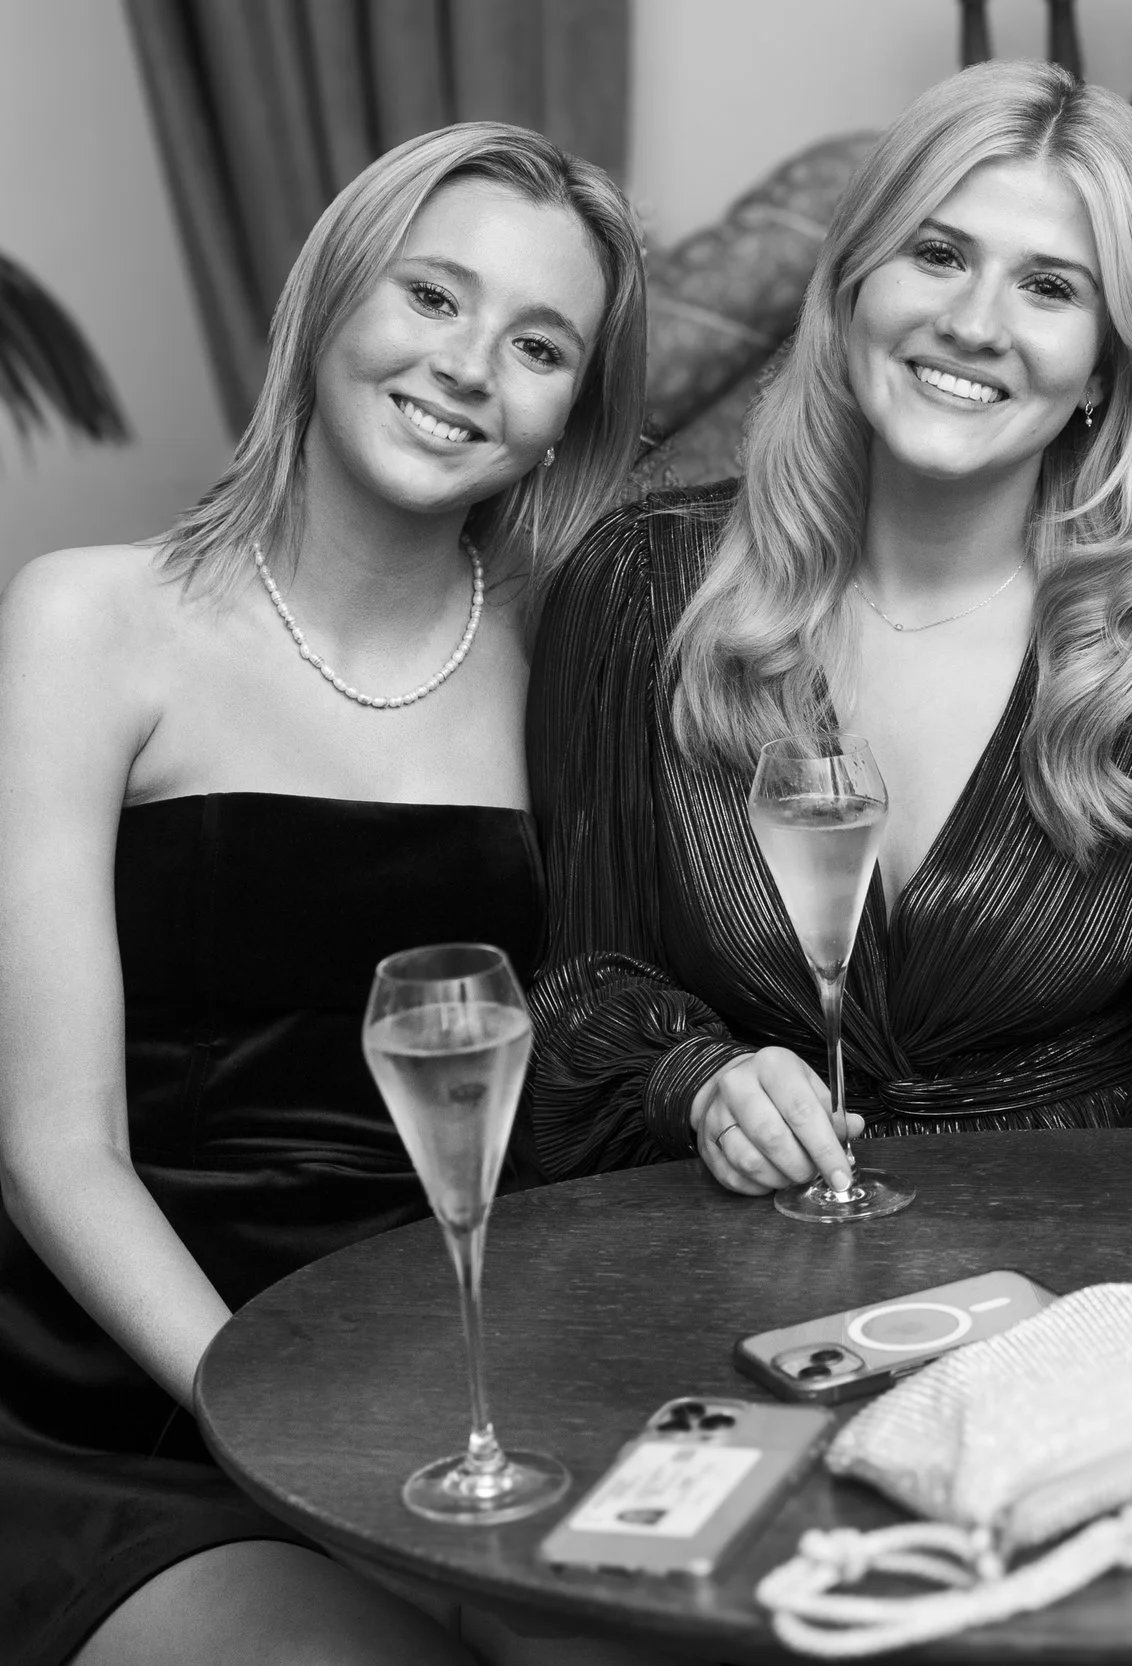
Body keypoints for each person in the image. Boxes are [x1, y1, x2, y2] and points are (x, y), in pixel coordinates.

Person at [0, 125, 644, 1664]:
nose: (471, 364)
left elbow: (618, 1048)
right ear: (332, 302)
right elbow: (50, 1147)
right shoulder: (91, 619)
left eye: (539, 343)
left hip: (455, 1380)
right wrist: (283, 1415)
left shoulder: (575, 671)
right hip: (121, 1393)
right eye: (432, 296)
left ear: (567, 421)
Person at [525, 60, 1132, 1190]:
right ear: (852, 287)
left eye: (1051, 288)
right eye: (938, 254)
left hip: (1086, 1296)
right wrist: (698, 1078)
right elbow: (579, 994)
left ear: (1103, 374)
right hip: (745, 1281)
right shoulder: (640, 586)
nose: (974, 323)